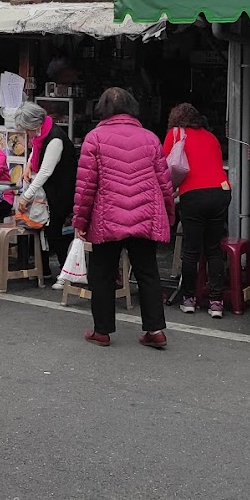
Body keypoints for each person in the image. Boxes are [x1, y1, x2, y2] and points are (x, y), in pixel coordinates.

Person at [73, 87, 174, 349]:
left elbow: (86, 187)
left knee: (103, 273)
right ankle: (155, 331)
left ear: (102, 109)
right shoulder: (150, 138)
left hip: (107, 218)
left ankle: (102, 331)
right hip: (145, 215)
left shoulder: (94, 138)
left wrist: (79, 222)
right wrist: (169, 216)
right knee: (148, 272)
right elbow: (165, 183)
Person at [162, 103, 232, 318]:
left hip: (193, 195)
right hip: (221, 192)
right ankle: (216, 302)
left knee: (191, 250)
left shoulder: (175, 134)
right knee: (213, 249)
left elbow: (165, 166)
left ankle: (189, 298)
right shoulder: (211, 137)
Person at [12, 101, 78, 280]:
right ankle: (44, 270)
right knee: (40, 227)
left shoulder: (55, 138)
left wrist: (26, 196)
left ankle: (67, 273)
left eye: (27, 129)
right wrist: (27, 166)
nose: (26, 133)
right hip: (49, 189)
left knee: (54, 232)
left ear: (35, 123)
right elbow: (35, 152)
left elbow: (46, 171)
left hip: (60, 190)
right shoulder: (41, 134)